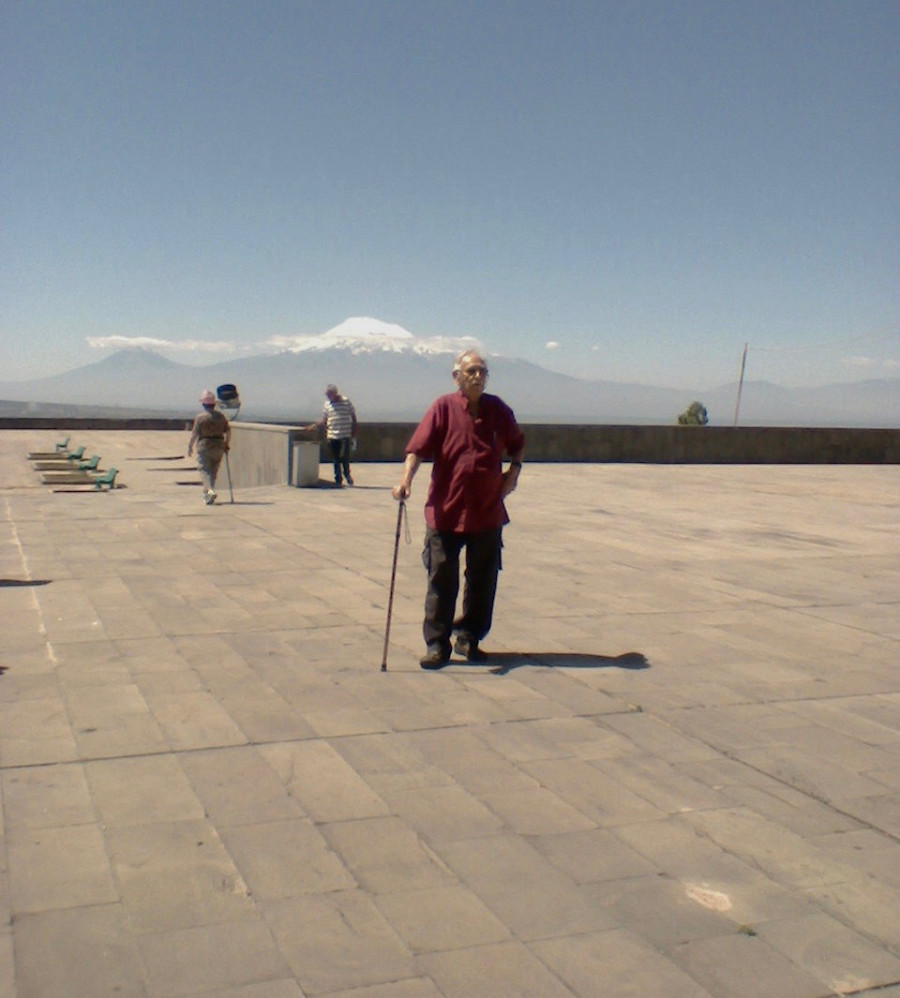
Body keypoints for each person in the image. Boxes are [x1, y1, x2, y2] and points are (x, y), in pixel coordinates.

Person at [392, 350, 525, 669]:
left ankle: (469, 637)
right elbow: (417, 450)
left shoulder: (498, 410)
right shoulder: (442, 408)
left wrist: (514, 471)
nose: (478, 376)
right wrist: (405, 481)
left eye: (483, 371)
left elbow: (517, 443)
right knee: (441, 578)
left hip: (486, 511)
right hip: (446, 511)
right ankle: (437, 644)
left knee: (483, 580)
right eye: (472, 371)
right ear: (457, 377)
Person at [306, 384, 358, 486]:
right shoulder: (327, 405)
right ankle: (338, 478)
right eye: (327, 394)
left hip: (345, 434)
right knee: (335, 458)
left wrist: (354, 431)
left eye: (329, 394)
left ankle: (347, 474)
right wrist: (315, 426)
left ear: (335, 393)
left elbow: (353, 416)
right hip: (332, 435)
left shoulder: (346, 401)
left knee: (345, 457)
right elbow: (325, 419)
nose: (328, 396)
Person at [187, 389, 231, 505]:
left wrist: (190, 446)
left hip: (205, 446)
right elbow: (228, 431)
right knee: (213, 471)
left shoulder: (200, 418)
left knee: (204, 470)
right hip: (219, 446)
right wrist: (226, 444)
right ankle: (208, 495)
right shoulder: (221, 417)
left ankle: (210, 491)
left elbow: (194, 434)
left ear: (204, 404)